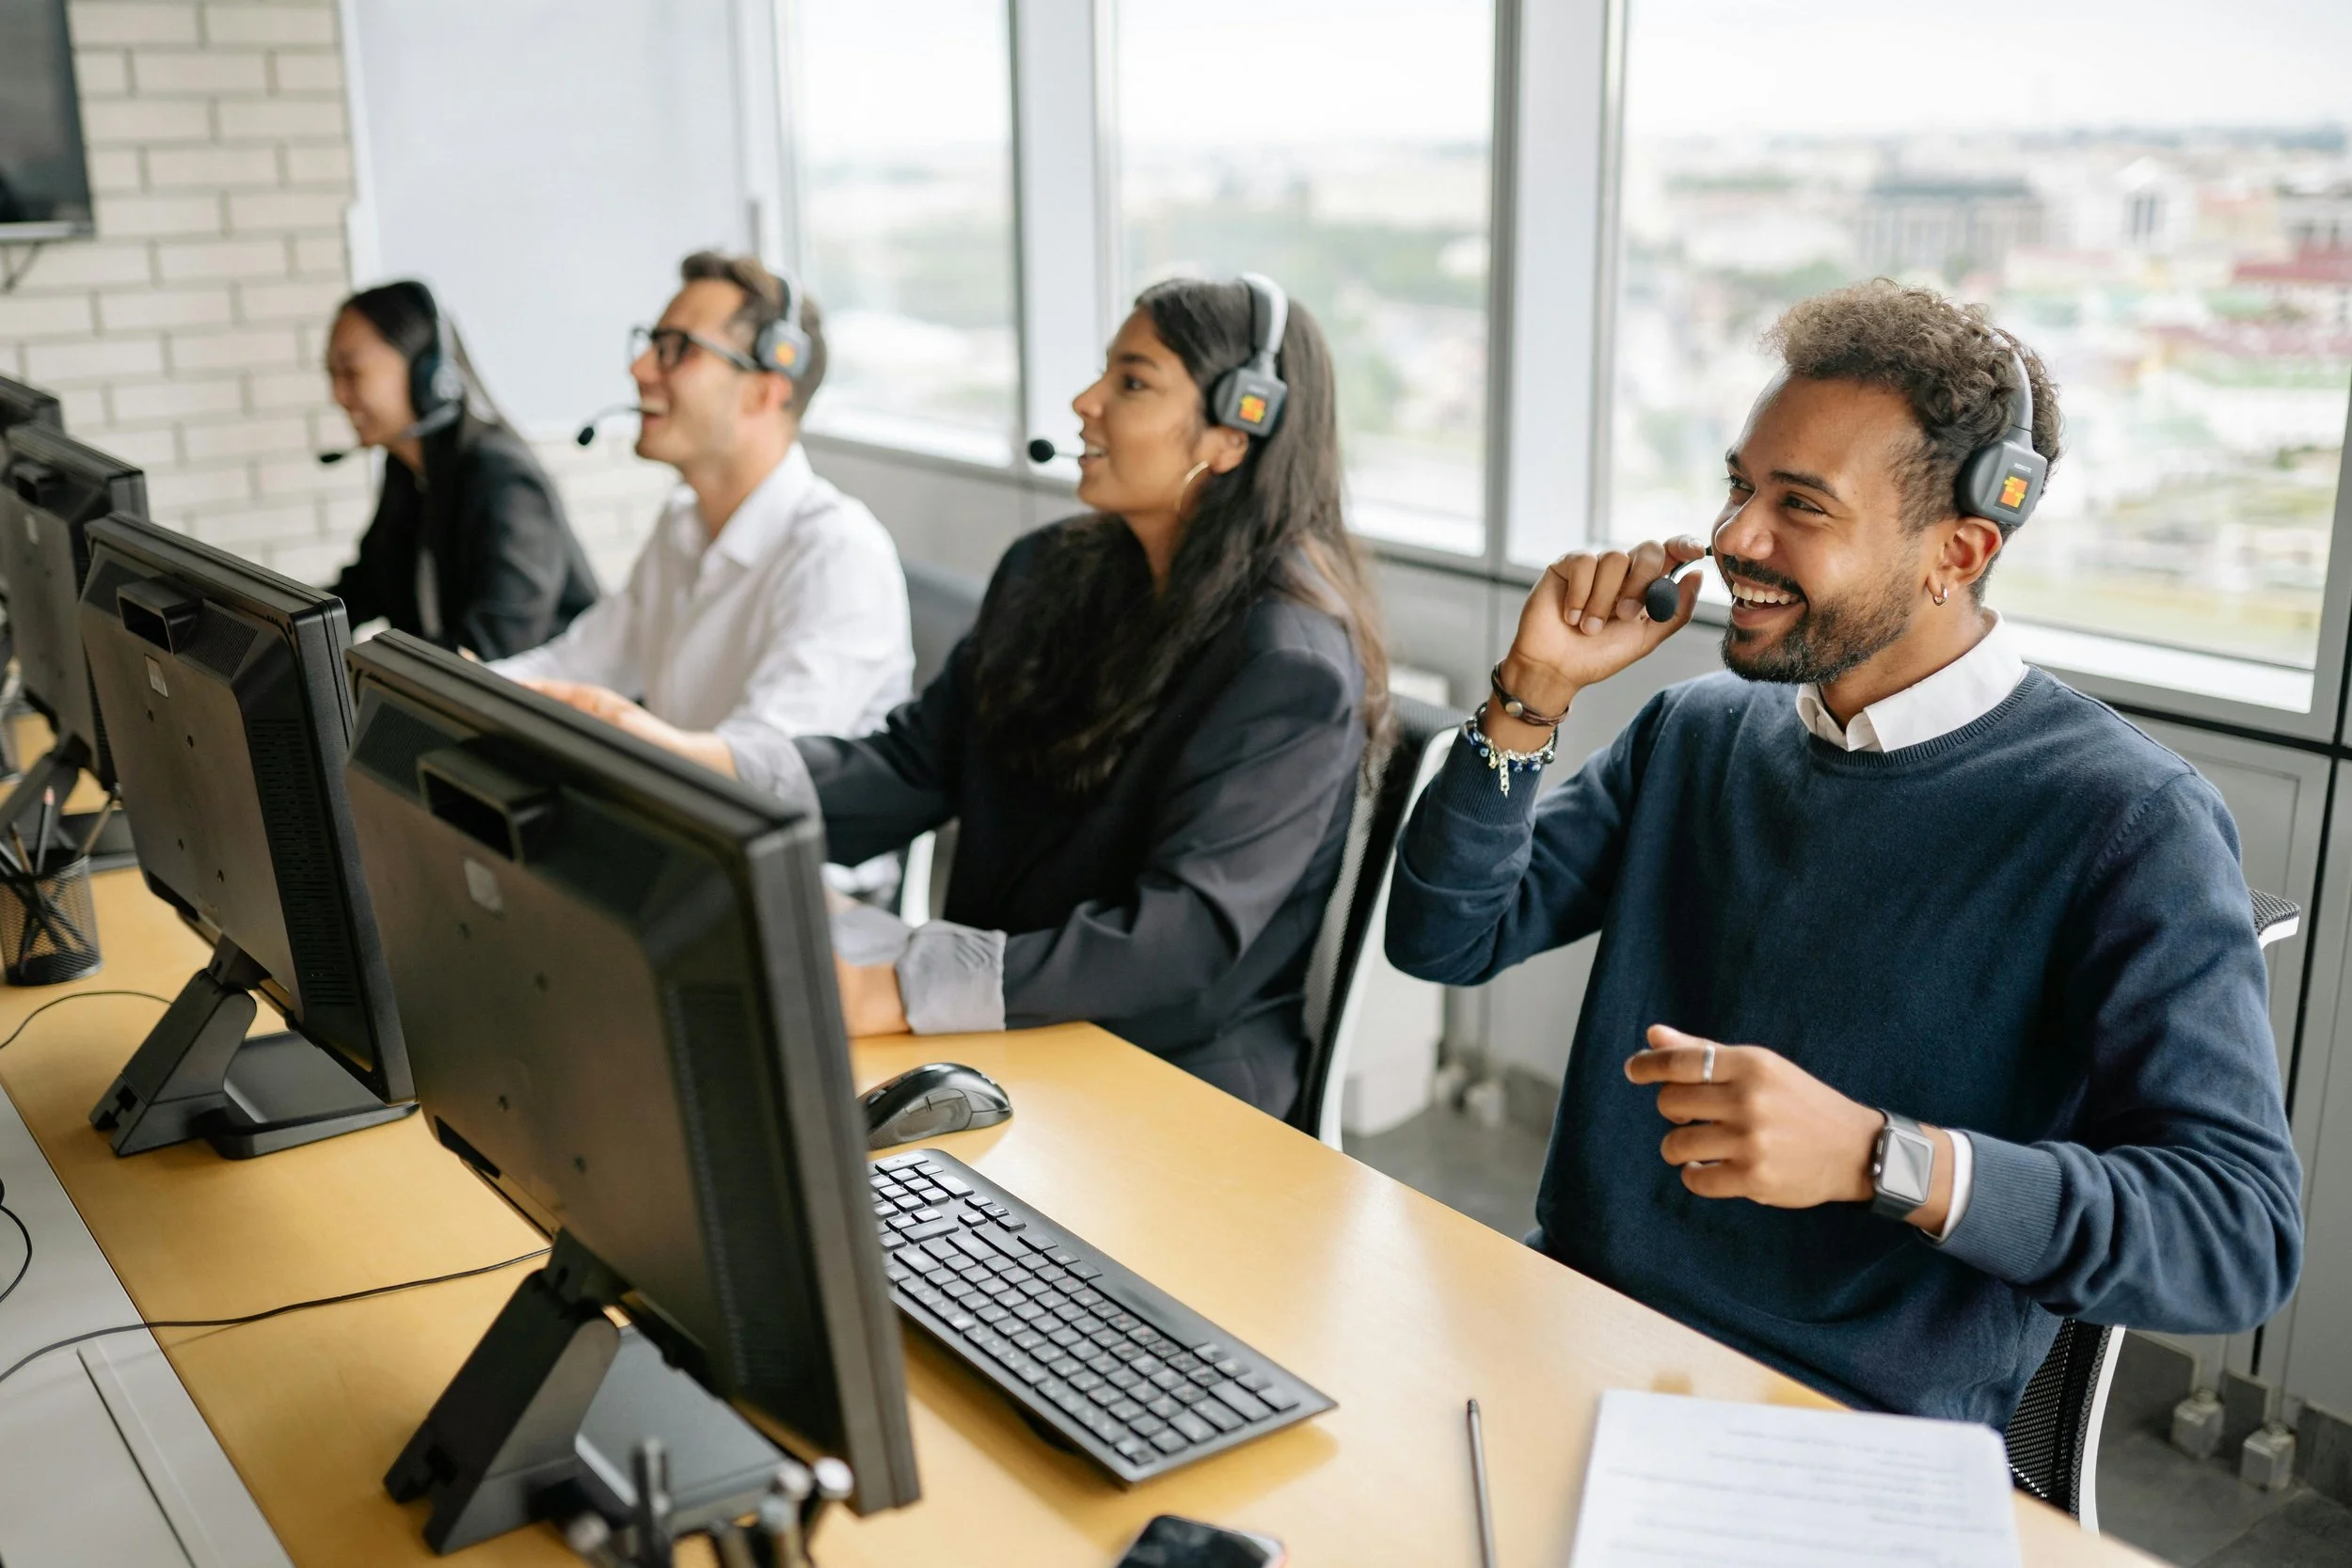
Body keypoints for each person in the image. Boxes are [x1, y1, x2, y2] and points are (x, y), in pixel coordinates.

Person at [1383, 279, 2302, 1430]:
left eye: (1799, 506)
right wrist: (1531, 696)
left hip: (1840, 1425)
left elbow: (2237, 1237)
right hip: (1572, 1326)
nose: (1731, 540)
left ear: (1955, 550)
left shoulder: (2128, 820)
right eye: (1738, 485)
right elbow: (1443, 936)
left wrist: (1882, 1157)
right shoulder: (1700, 730)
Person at [543, 276, 1386, 1118]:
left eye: (1132, 382)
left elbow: (1180, 941)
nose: (1085, 401)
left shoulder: (1290, 665)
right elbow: (912, 764)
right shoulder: (1049, 570)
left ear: (1239, 428)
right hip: (997, 1035)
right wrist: (703, 761)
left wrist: (900, 992)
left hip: (1167, 1078)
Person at [493, 252, 911, 773]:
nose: (639, 368)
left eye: (676, 350)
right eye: (651, 344)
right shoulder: (682, 523)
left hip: (775, 849)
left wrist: (617, 729)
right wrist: (457, 688)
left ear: (766, 391)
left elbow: (764, 768)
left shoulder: (838, 554)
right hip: (680, 824)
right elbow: (578, 663)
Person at [324, 280, 598, 659]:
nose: (337, 395)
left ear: (428, 375)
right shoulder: (409, 472)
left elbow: (495, 646)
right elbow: (365, 586)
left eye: (351, 373)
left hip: (547, 708)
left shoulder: (503, 478)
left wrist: (371, 670)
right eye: (331, 375)